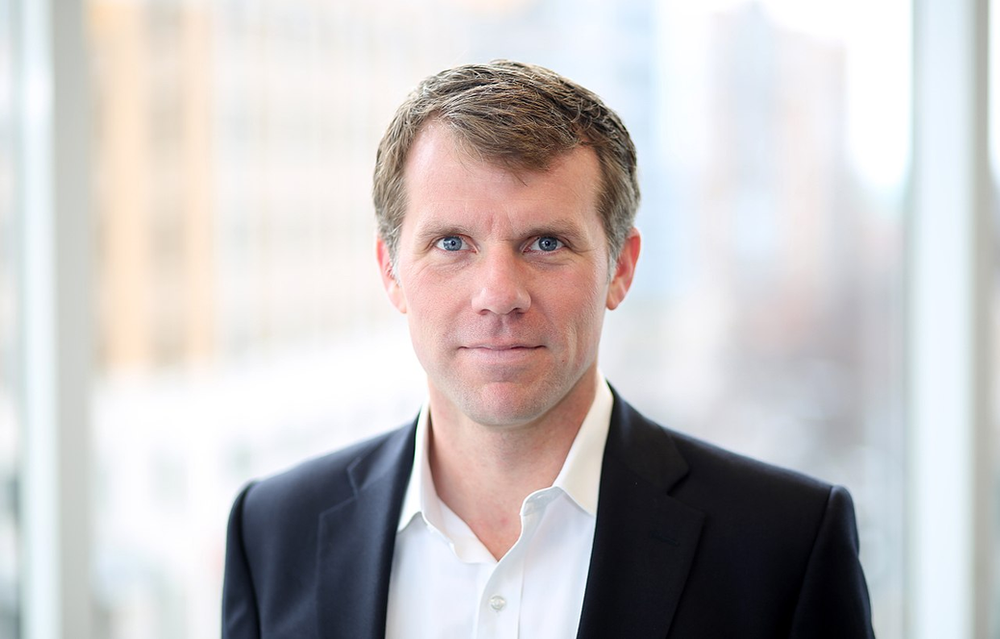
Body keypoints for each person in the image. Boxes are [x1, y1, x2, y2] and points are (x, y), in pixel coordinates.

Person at [222, 60, 875, 639]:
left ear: (621, 268)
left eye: (546, 243)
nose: (499, 294)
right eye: (451, 243)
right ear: (391, 271)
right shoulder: (271, 533)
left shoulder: (784, 546)